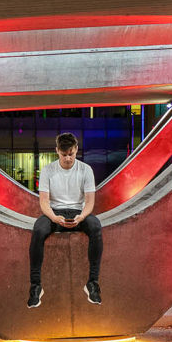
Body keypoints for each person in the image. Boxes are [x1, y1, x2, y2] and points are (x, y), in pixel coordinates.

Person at [27, 132, 103, 308]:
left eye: (71, 153)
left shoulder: (85, 170)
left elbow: (90, 202)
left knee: (96, 226)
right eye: (64, 154)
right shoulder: (48, 170)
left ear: (76, 150)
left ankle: (92, 283)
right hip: (54, 213)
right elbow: (44, 202)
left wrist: (82, 216)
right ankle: (36, 286)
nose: (68, 158)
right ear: (57, 151)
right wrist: (54, 217)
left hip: (78, 212)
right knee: (38, 230)